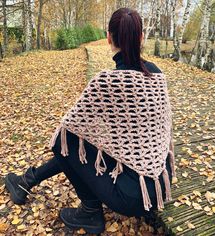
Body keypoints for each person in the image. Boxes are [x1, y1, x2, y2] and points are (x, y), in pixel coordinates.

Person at [4, 7, 176, 235]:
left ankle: (89, 210)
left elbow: (66, 133)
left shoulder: (107, 82)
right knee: (80, 141)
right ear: (141, 37)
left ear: (108, 37)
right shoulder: (157, 75)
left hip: (131, 198)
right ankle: (28, 180)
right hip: (161, 185)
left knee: (64, 142)